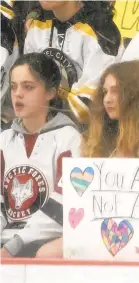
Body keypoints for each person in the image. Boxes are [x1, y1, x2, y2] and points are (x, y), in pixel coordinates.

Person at [36, 60, 139, 258]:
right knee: (46, 254)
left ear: (136, 93)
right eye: (105, 92)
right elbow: (70, 196)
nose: (107, 99)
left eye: (115, 91)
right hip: (102, 231)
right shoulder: (100, 142)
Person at [0, 53, 81, 258]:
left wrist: (17, 243)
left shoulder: (69, 139)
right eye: (14, 86)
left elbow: (65, 202)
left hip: (46, 242)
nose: (17, 94)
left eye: (28, 87)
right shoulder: (4, 139)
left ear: (51, 92)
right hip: (6, 240)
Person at [24, 1, 122, 125]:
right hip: (42, 129)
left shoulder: (102, 31)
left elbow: (88, 104)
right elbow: (25, 85)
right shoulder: (37, 25)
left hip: (88, 135)